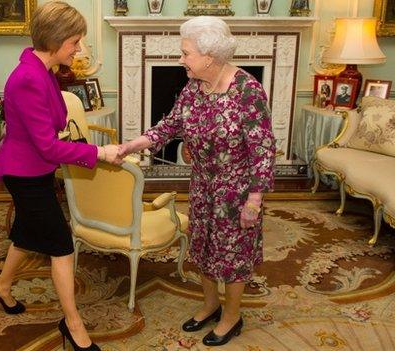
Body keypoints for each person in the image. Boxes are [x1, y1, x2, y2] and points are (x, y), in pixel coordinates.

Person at [118, 16, 276, 347]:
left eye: (186, 52)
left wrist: (255, 201)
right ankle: (210, 304)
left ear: (209, 55)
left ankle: (232, 316)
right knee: (204, 247)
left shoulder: (248, 91)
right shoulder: (194, 88)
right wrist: (131, 145)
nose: (181, 59)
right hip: (203, 186)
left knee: (233, 255)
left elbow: (263, 150)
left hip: (238, 192)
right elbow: (169, 126)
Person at [0, 2, 121, 350]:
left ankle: (0, 287)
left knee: (28, 233)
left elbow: (58, 119)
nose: (78, 49)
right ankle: (72, 324)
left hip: (35, 167)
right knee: (61, 246)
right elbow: (47, 145)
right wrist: (99, 152)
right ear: (56, 38)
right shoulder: (28, 78)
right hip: (24, 172)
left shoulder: (43, 68)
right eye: (75, 41)